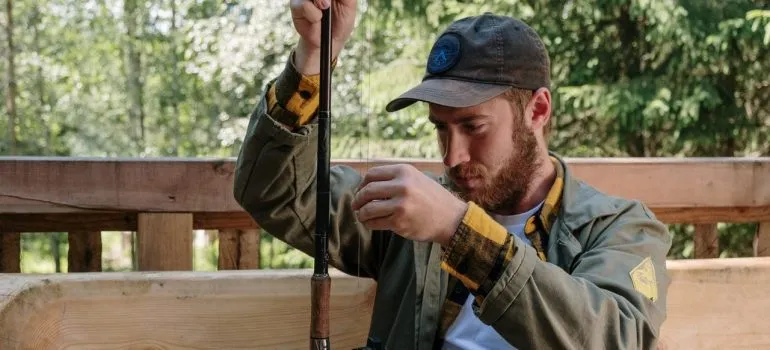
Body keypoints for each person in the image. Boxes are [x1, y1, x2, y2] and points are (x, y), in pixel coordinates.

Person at [233, 1, 672, 349]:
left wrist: (459, 230)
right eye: (440, 128)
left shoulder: (620, 227)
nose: (452, 155)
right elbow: (271, 190)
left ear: (537, 110)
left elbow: (617, 339)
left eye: (473, 127)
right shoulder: (410, 213)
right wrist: (313, 59)